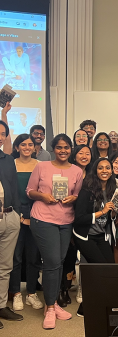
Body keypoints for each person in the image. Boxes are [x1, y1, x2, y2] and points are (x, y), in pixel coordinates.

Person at [27, 134, 83, 329]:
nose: (63, 151)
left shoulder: (77, 171)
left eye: (66, 147)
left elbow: (78, 194)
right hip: (43, 218)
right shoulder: (41, 166)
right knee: (51, 262)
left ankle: (54, 303)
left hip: (66, 221)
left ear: (71, 149)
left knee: (58, 262)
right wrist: (43, 196)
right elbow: (30, 191)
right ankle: (50, 307)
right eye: (59, 147)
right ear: (53, 149)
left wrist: (73, 199)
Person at [73, 158, 118, 316]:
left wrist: (114, 212)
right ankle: (85, 307)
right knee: (99, 269)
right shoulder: (86, 191)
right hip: (85, 236)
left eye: (108, 168)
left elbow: (109, 217)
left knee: (110, 268)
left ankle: (104, 302)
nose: (105, 171)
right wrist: (102, 211)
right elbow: (79, 218)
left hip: (101, 235)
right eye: (101, 168)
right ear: (95, 171)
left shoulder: (112, 189)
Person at [9, 134, 43, 312]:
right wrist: (20, 216)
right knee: (15, 256)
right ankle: (15, 293)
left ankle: (31, 293)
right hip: (15, 212)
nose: (27, 147)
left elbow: (42, 190)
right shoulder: (11, 164)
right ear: (17, 147)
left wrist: (32, 216)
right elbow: (9, 191)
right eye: (23, 144)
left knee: (33, 256)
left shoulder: (40, 165)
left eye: (30, 144)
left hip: (36, 213)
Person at [56, 145, 92, 308]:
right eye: (80, 153)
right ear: (74, 155)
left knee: (84, 256)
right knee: (68, 255)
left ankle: (83, 289)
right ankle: (63, 289)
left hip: (86, 222)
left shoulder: (93, 173)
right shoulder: (68, 171)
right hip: (67, 217)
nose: (84, 156)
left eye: (87, 153)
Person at [0, 120, 23, 328]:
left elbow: (14, 188)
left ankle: (0, 306)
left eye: (2, 133)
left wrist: (16, 213)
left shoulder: (8, 160)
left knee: (5, 266)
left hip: (9, 217)